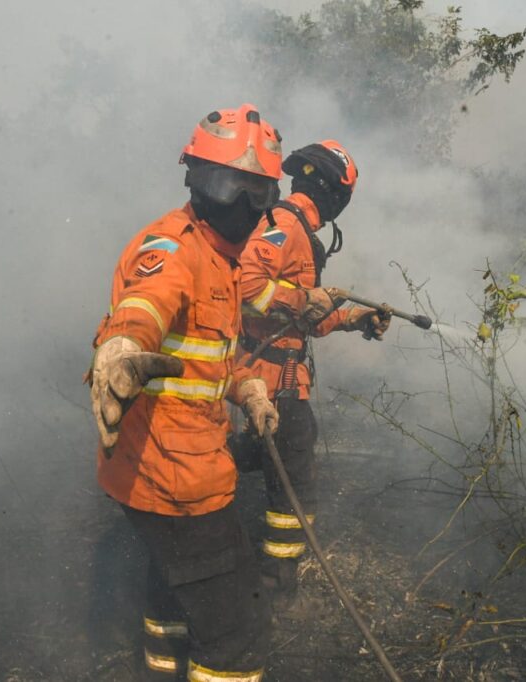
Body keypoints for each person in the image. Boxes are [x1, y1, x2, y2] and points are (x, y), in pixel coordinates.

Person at [87, 104, 282, 681]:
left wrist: (249, 389)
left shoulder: (221, 256)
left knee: (174, 583)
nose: (241, 205)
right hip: (175, 480)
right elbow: (145, 305)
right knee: (237, 632)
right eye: (227, 184)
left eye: (257, 193)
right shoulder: (173, 248)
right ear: (195, 179)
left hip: (169, 471)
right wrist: (123, 346)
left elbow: (212, 352)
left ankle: (163, 666)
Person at [232, 139, 391, 604]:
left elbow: (299, 318)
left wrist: (352, 318)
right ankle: (275, 586)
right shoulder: (285, 225)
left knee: (259, 468)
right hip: (270, 382)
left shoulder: (295, 226)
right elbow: (247, 287)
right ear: (334, 193)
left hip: (272, 380)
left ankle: (244, 563)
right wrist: (304, 299)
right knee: (293, 490)